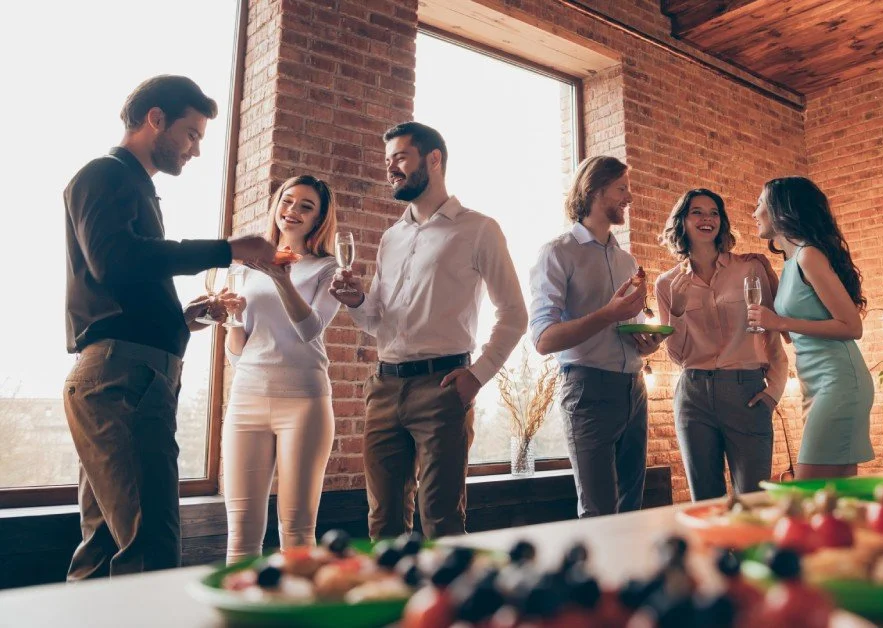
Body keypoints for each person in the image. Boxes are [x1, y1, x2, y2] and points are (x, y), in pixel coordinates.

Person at [63, 75, 276, 580]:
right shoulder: (104, 175)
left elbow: (122, 289)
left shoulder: (132, 186)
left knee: (103, 548)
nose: (197, 149)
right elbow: (115, 261)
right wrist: (228, 248)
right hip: (124, 382)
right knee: (152, 550)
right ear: (155, 119)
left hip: (128, 377)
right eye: (192, 134)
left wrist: (186, 318)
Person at [330, 122, 527, 539]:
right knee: (382, 522)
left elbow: (513, 313)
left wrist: (478, 375)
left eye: (400, 158)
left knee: (441, 519)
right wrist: (356, 303)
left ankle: (444, 605)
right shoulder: (391, 238)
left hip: (442, 389)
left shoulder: (479, 229)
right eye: (388, 162)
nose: (391, 170)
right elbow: (377, 321)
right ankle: (392, 604)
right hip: (383, 388)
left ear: (433, 159)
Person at [529, 155, 664, 518]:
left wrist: (648, 342)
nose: (629, 198)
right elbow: (543, 339)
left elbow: (630, 322)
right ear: (595, 189)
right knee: (600, 512)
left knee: (631, 509)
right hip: (587, 389)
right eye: (622, 189)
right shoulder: (557, 253)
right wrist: (607, 314)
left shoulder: (627, 261)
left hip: (634, 389)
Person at [220, 175, 342, 564]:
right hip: (247, 399)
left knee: (297, 533)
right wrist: (233, 320)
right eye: (287, 201)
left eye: (306, 206)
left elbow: (309, 330)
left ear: (319, 219)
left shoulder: (327, 268)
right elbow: (238, 354)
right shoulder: (246, 267)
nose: (292, 211)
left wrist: (280, 278)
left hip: (303, 403)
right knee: (241, 534)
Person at [655, 188, 788, 500]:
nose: (707, 219)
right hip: (693, 394)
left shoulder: (751, 268)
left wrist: (774, 392)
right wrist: (676, 310)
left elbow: (774, 334)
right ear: (682, 222)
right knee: (706, 501)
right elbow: (678, 356)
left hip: (747, 390)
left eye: (714, 212)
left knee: (753, 499)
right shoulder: (666, 284)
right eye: (697, 212)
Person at [747, 177, 874, 479]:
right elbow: (795, 335)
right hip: (814, 383)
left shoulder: (809, 255)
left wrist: (778, 321)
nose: (754, 212)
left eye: (760, 203)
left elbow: (851, 326)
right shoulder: (791, 261)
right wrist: (767, 276)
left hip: (838, 381)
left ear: (781, 210)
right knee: (836, 497)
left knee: (808, 488)